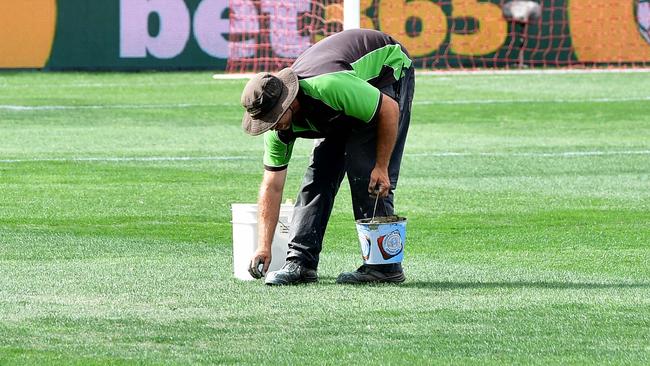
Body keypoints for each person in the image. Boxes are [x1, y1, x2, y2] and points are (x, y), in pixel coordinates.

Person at [240, 29, 415, 285]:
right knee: (318, 175)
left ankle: (384, 267)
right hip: (345, 99)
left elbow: (388, 109)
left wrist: (382, 166)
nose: (272, 126)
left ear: (291, 103)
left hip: (387, 72)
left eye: (275, 119)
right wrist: (263, 246)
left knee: (366, 173)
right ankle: (300, 263)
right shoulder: (277, 129)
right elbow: (272, 185)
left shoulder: (328, 86)